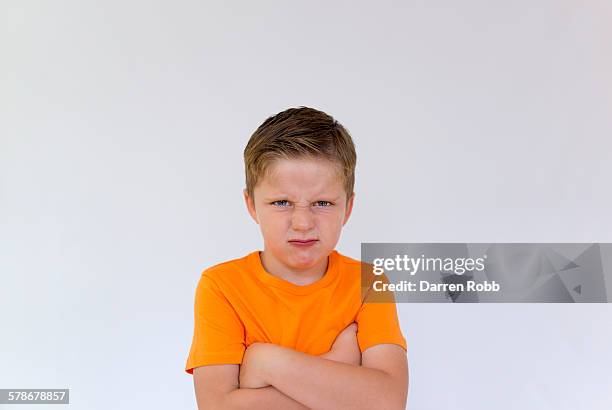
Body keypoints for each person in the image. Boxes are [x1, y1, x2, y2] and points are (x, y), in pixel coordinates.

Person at [185, 106, 408, 409]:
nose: (302, 222)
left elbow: (387, 403)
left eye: (323, 202)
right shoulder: (221, 286)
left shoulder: (370, 283)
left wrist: (266, 364)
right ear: (251, 205)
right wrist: (338, 366)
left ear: (349, 208)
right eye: (281, 202)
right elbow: (217, 406)